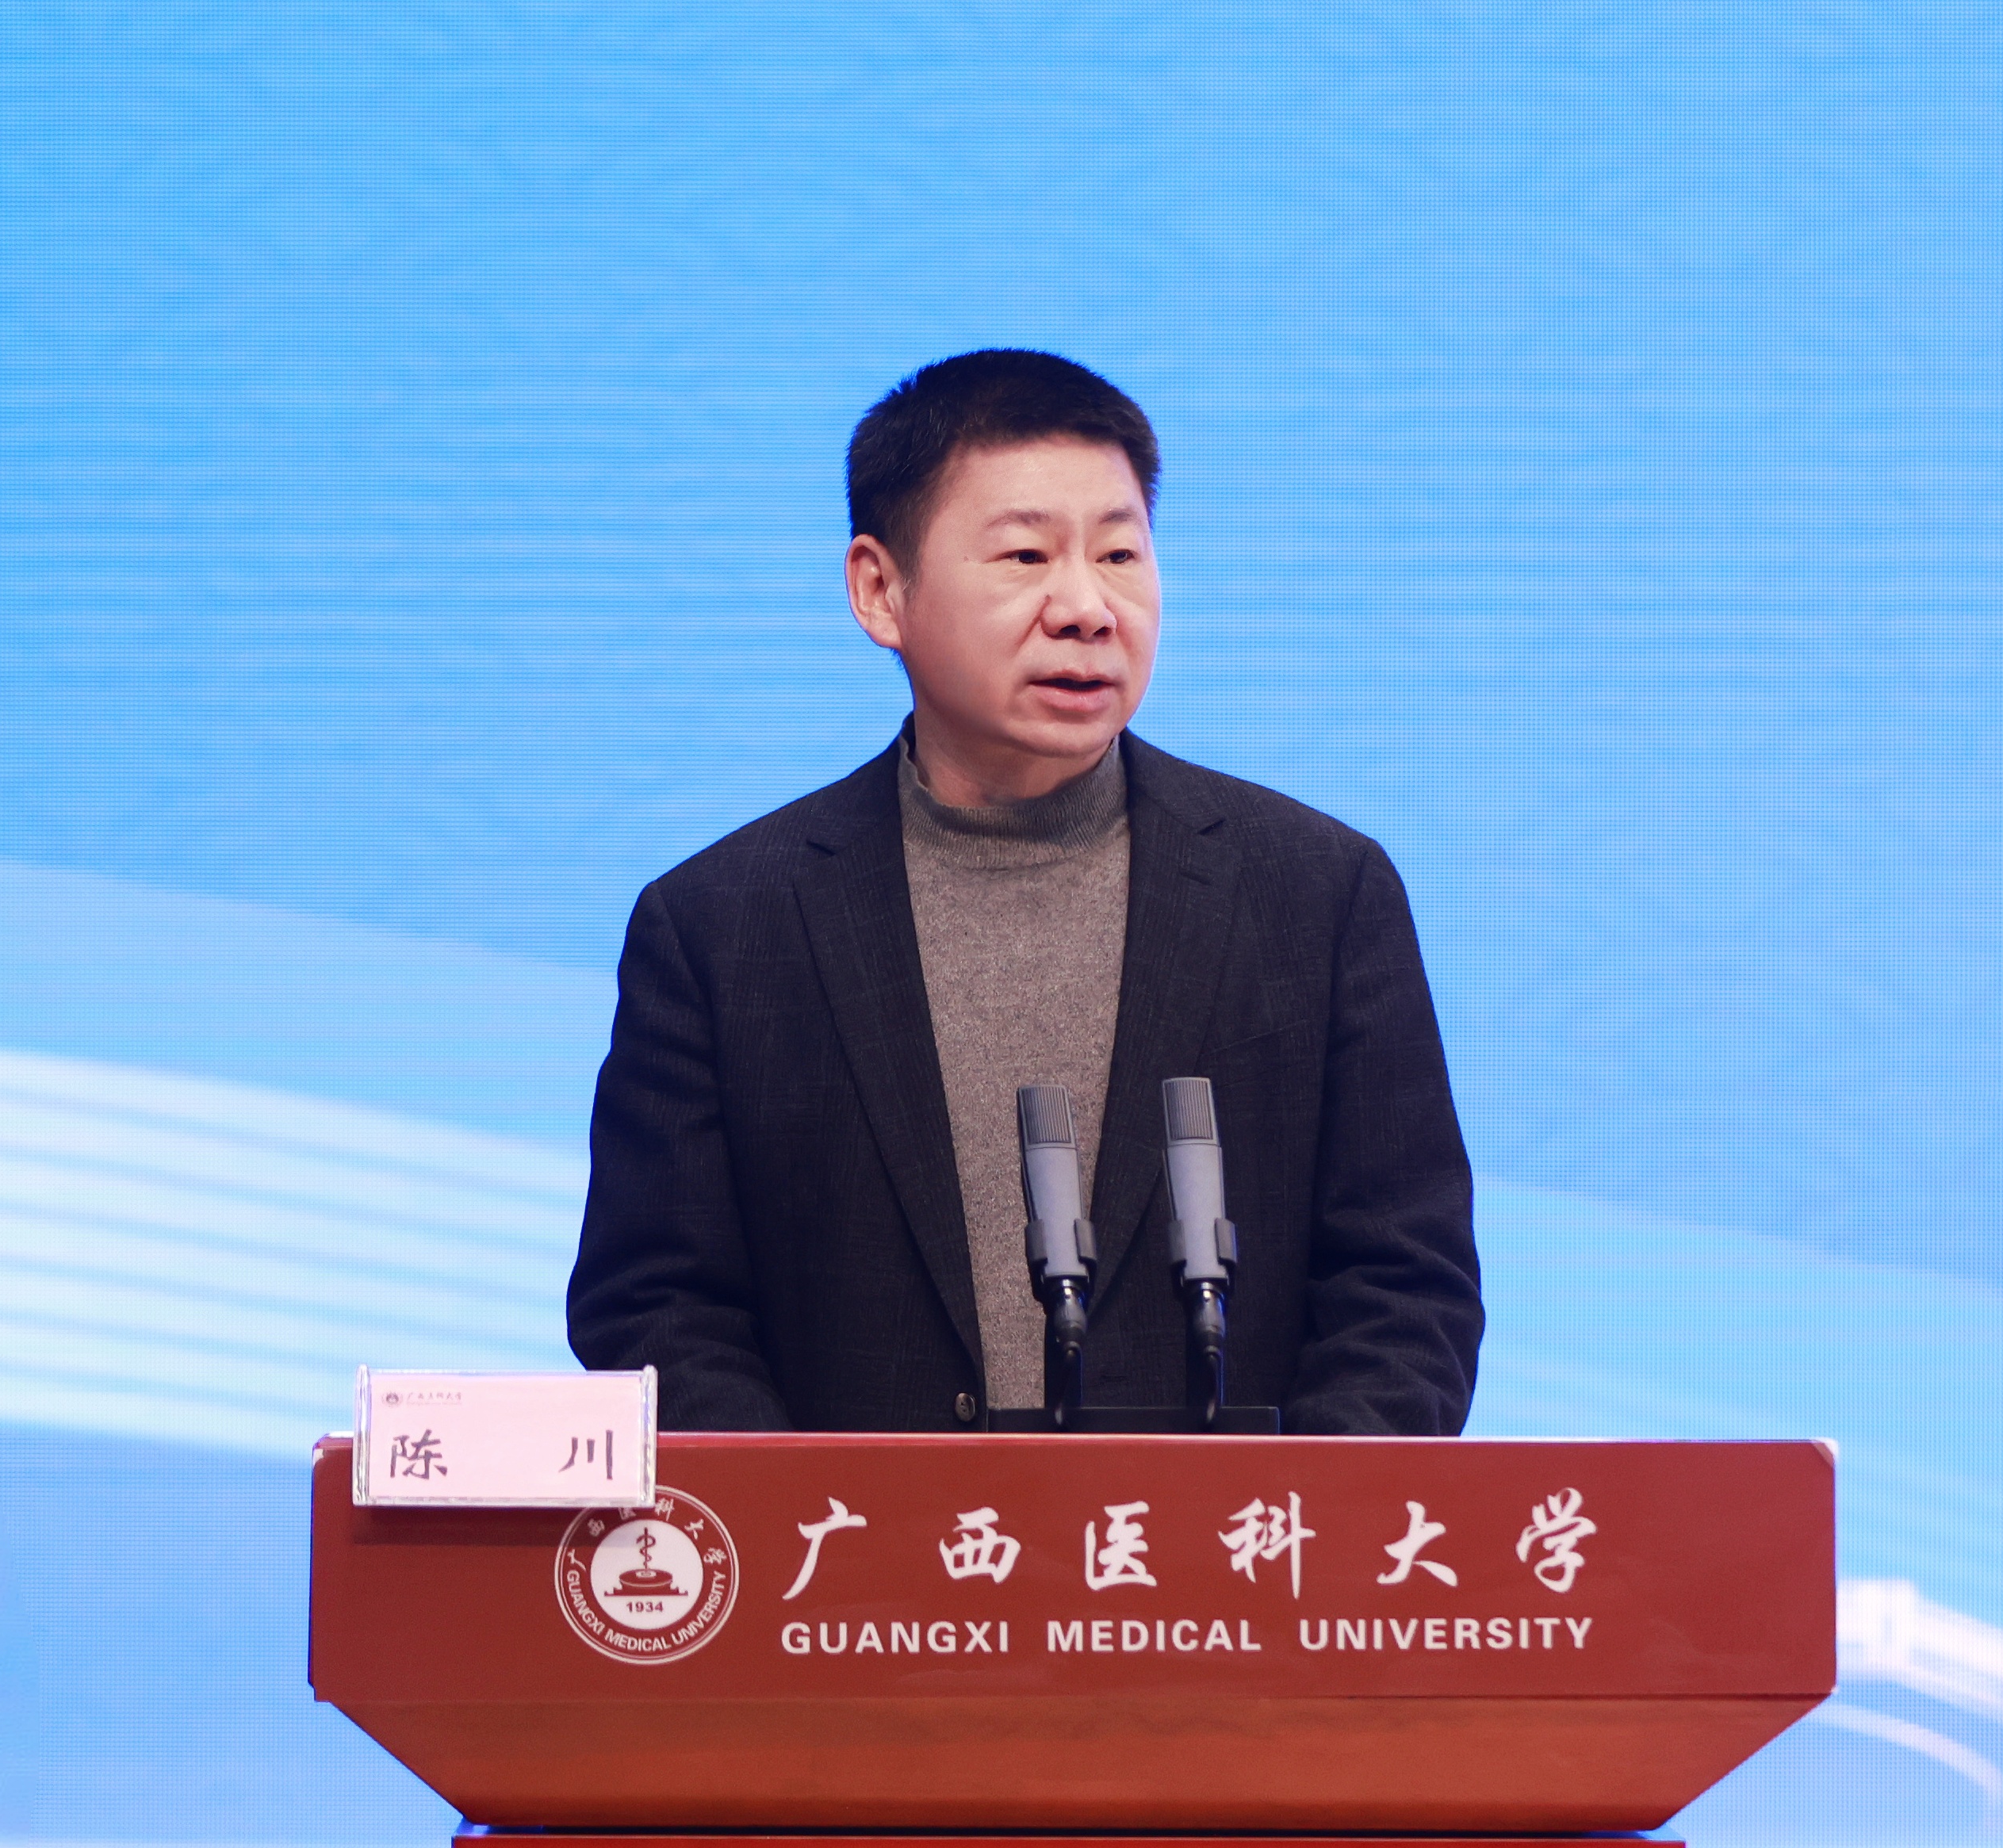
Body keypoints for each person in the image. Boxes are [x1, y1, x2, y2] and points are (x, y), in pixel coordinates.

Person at [567, 350, 1480, 1433]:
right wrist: (821, 1523)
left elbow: (1405, 1294)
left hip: (1225, 1543)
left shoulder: (1314, 894)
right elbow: (657, 1309)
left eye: (1119, 553)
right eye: (1025, 555)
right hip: (858, 1545)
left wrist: (1287, 1519)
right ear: (880, 590)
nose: (1087, 607)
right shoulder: (724, 927)